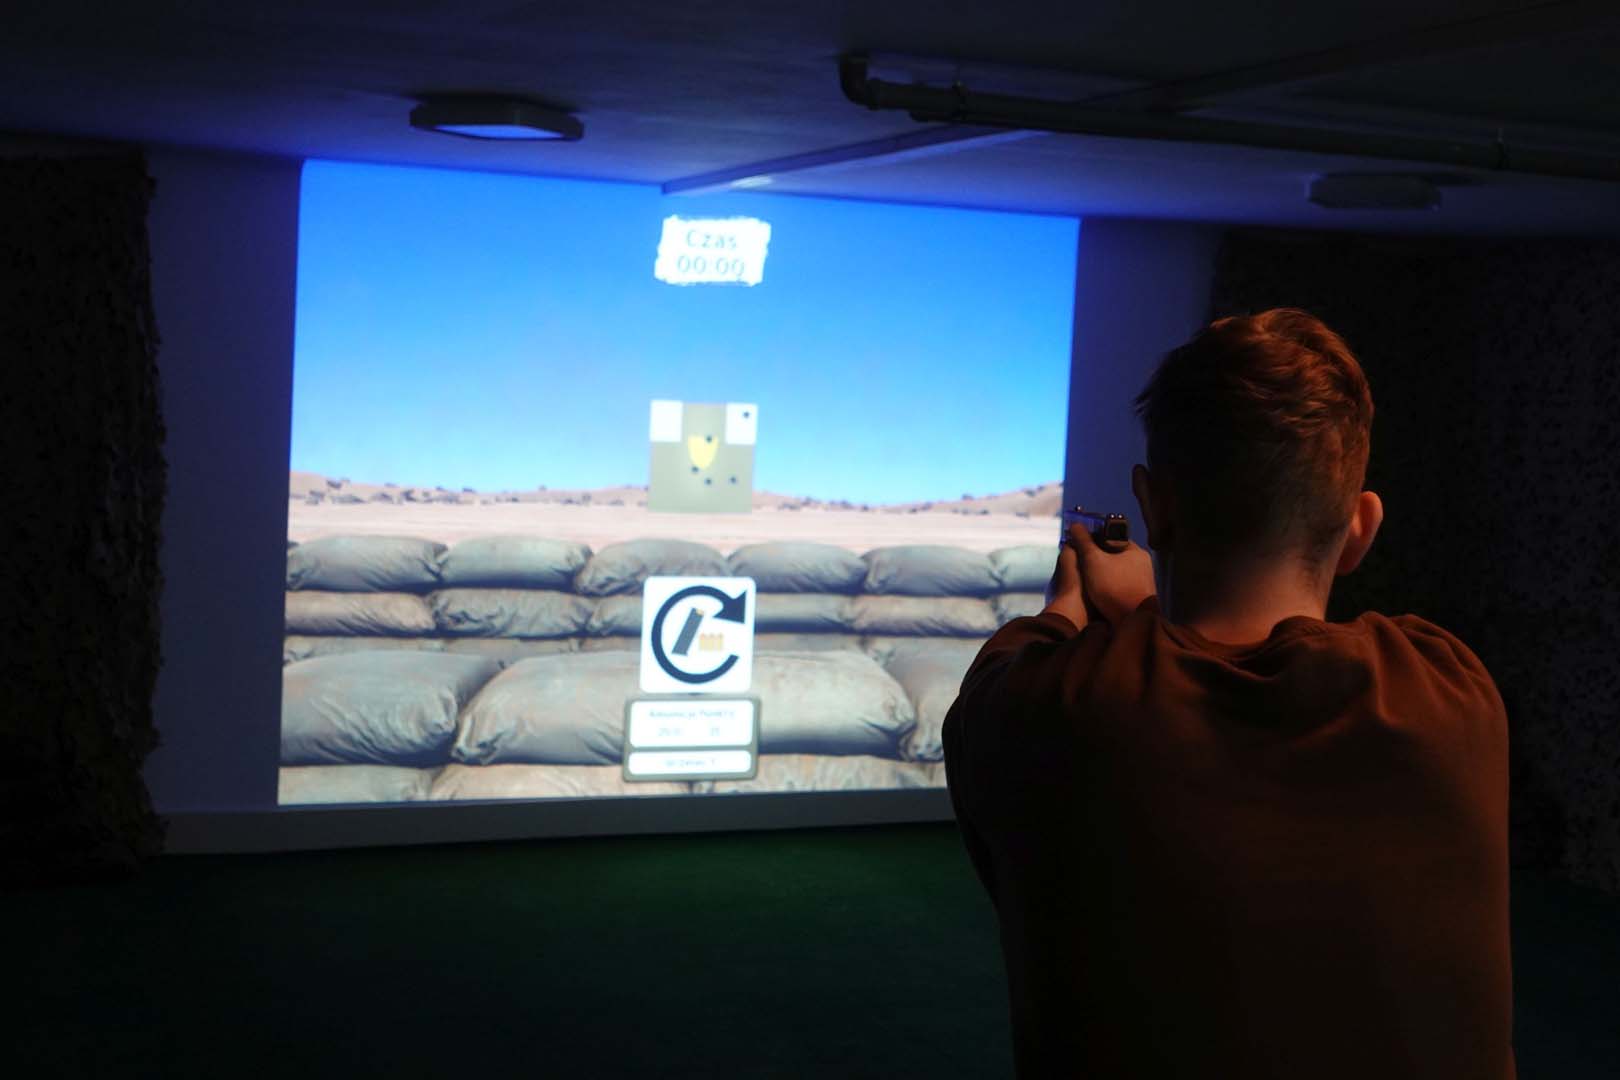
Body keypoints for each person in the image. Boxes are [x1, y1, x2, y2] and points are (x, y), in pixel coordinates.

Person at [943, 309, 1513, 1079]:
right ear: (1360, 528)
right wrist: (1148, 615)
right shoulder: (1453, 691)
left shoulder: (1042, 709)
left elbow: (1014, 677)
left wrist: (1072, 608)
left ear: (1154, 507)